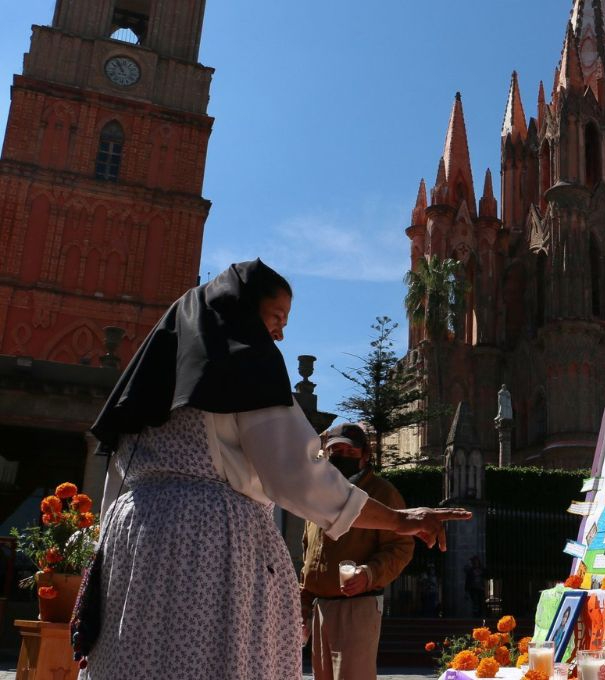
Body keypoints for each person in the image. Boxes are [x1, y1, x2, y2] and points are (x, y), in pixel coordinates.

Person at [83, 259, 470, 680]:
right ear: (243, 311)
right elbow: (298, 476)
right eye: (276, 317)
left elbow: (116, 484)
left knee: (140, 659)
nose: (281, 333)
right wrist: (400, 520)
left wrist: (100, 562)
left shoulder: (154, 380)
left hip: (134, 543)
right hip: (206, 548)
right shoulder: (243, 363)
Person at [301, 422, 413, 680]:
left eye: (350, 453)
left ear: (365, 456)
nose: (343, 457)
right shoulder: (319, 495)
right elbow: (309, 552)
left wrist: (370, 573)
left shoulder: (382, 493)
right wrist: (304, 603)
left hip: (357, 608)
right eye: (336, 451)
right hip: (320, 609)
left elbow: (401, 547)